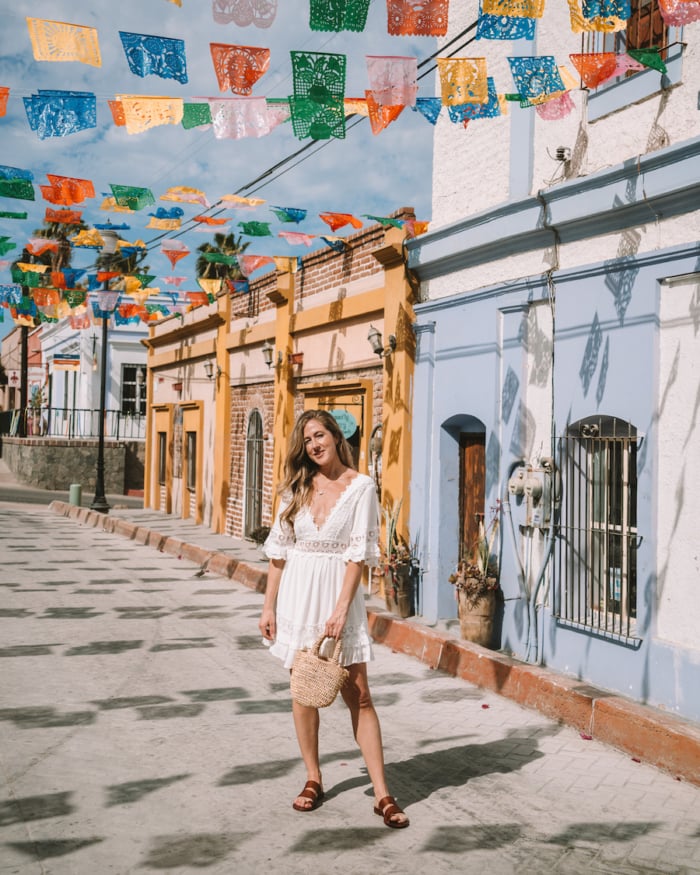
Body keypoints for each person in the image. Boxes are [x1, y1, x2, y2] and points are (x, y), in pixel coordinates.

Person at [259, 409, 409, 829]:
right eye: (307, 440)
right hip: (297, 599)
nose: (314, 445)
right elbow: (278, 553)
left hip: (338, 599)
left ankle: (382, 793)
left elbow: (357, 555)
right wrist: (268, 606)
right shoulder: (295, 487)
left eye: (320, 435)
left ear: (336, 437)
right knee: (304, 689)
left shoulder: (361, 487)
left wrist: (342, 609)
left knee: (358, 694)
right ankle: (313, 777)